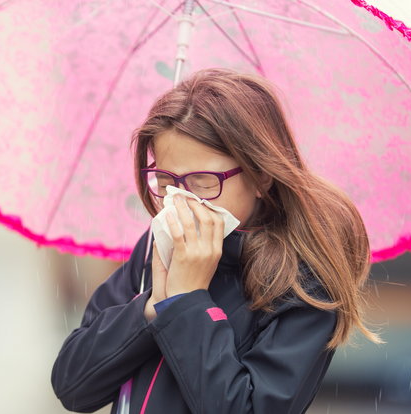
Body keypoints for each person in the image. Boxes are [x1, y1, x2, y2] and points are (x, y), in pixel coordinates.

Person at [50, 68, 385, 414]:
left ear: (261, 176)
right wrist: (152, 308)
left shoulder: (302, 284)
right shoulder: (157, 246)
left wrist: (187, 301)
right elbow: (73, 385)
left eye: (203, 181)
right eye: (166, 180)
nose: (181, 199)